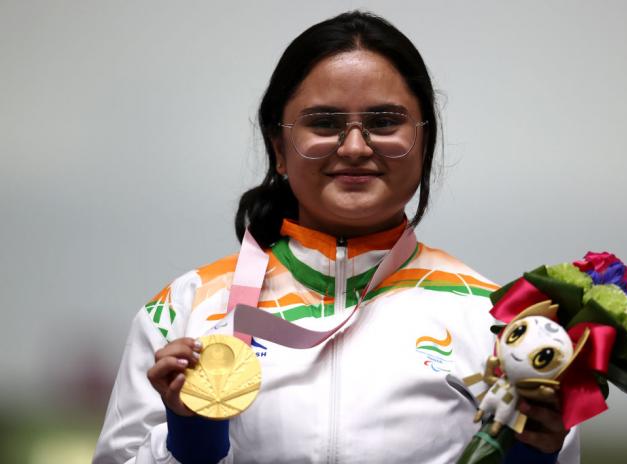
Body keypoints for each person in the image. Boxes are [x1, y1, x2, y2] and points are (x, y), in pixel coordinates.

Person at [94, 11, 579, 464]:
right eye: (324, 124)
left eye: (384, 122)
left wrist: (531, 456)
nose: (354, 147)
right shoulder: (184, 310)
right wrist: (189, 438)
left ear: (424, 142)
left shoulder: (500, 325)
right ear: (279, 147)